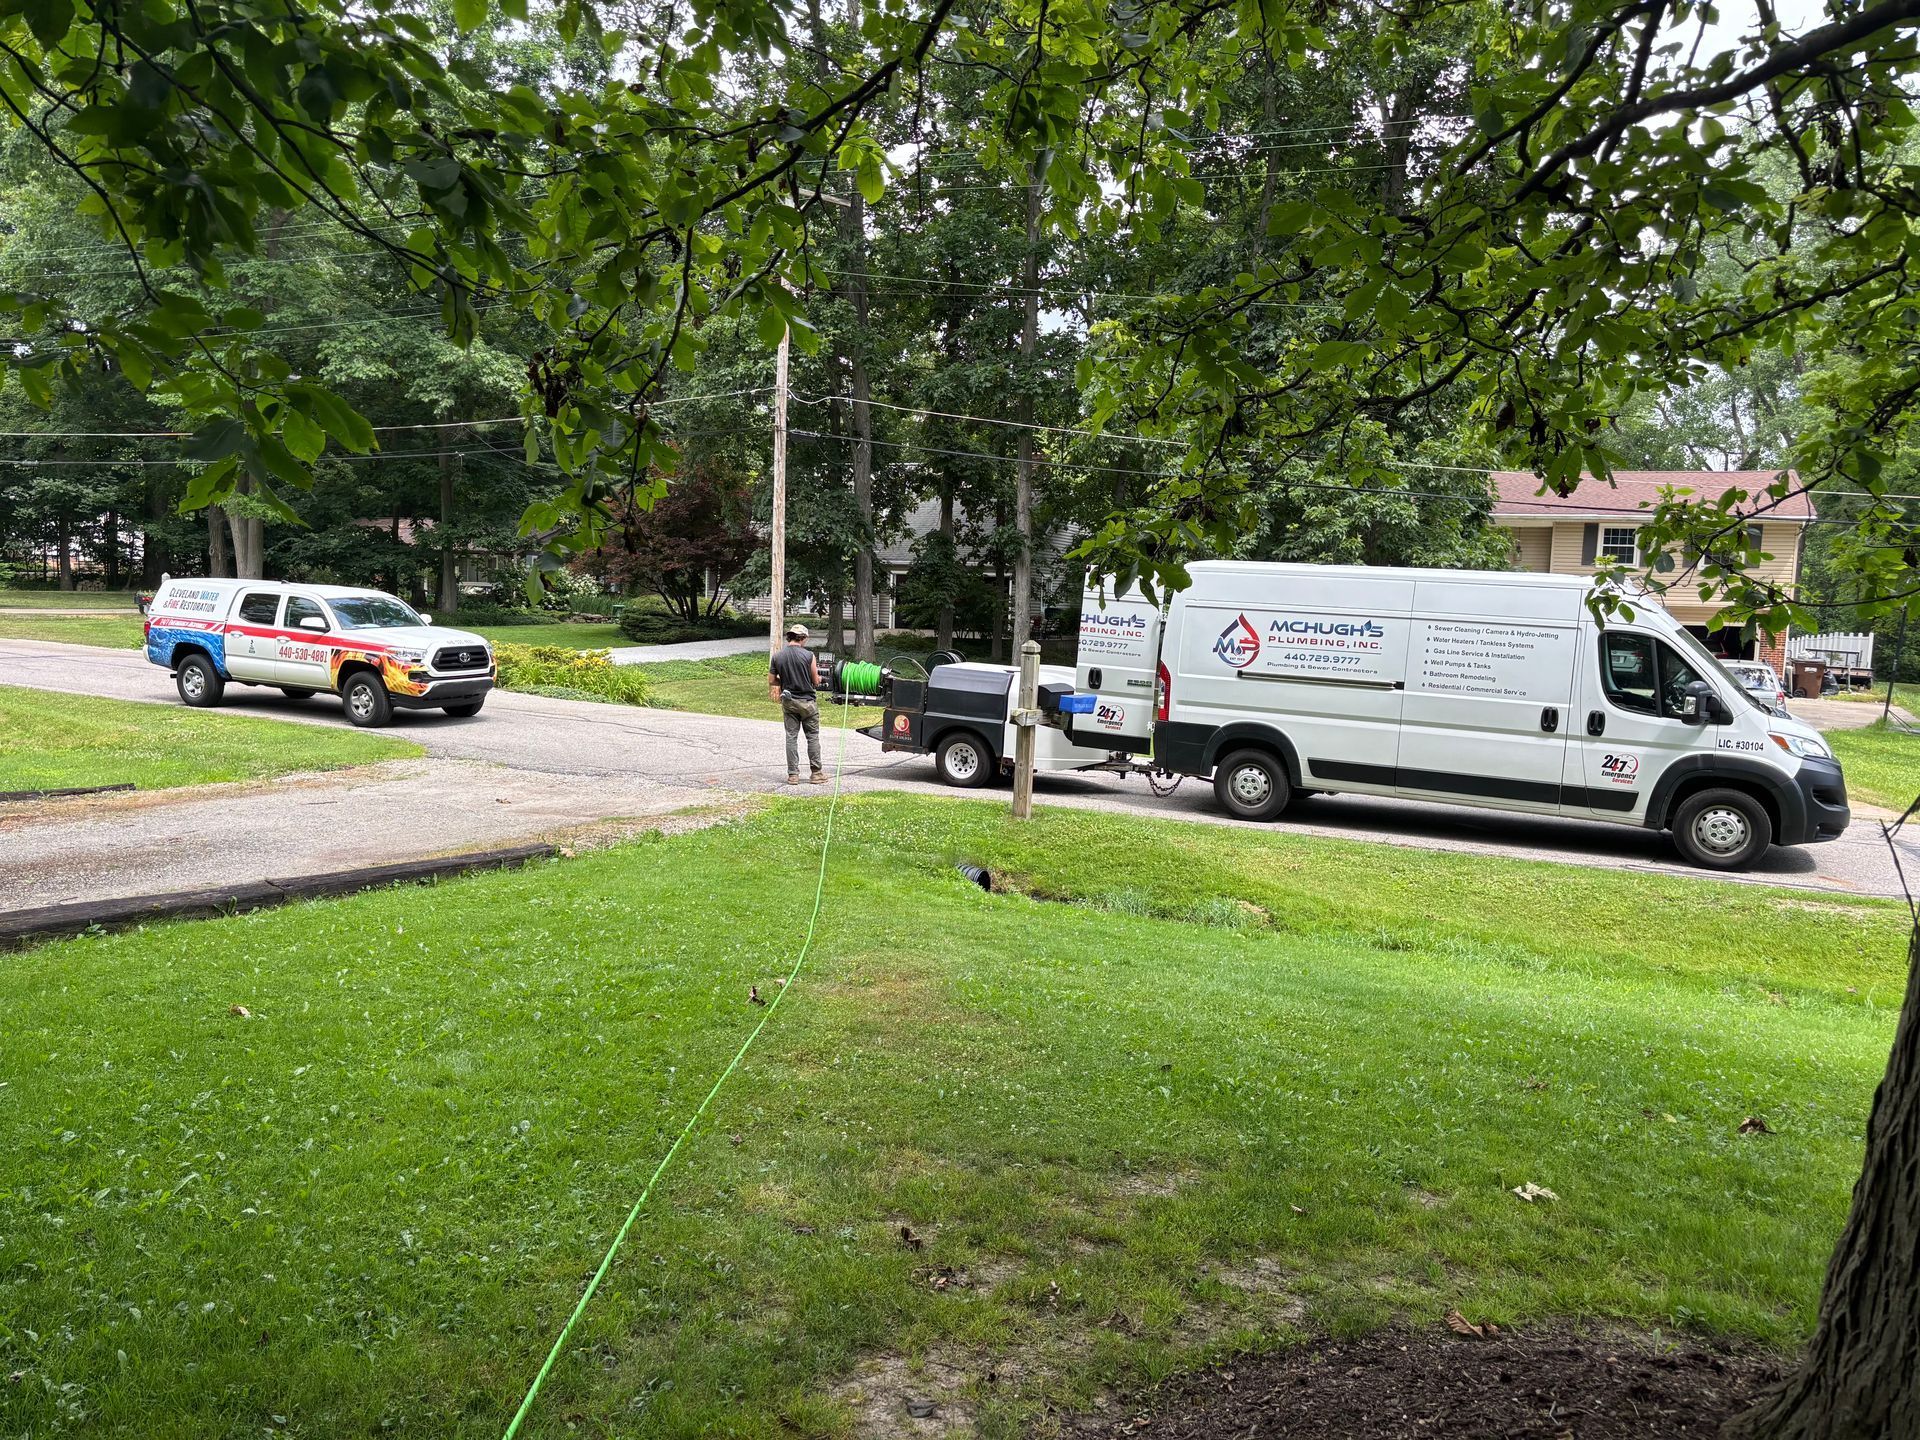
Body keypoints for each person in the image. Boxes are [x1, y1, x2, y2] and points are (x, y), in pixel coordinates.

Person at [768, 624, 826, 784]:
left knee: (791, 737)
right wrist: (819, 679)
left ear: (790, 637)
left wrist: (785, 680)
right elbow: (815, 680)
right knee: (812, 737)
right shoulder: (809, 656)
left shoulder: (777, 656)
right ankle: (816, 774)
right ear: (803, 638)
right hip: (808, 703)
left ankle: (793, 775)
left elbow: (772, 681)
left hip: (789, 702)